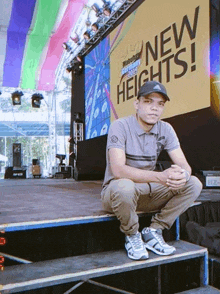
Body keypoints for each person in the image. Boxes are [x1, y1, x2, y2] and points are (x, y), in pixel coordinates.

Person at [101, 80, 203, 260]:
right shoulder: (120, 126)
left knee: (193, 183)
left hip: (146, 191)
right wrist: (161, 177)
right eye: (148, 101)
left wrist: (182, 175)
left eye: (160, 104)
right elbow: (118, 170)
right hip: (118, 194)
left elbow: (184, 165)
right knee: (124, 186)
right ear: (137, 104)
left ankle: (154, 230)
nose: (154, 108)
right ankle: (132, 235)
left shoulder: (166, 129)